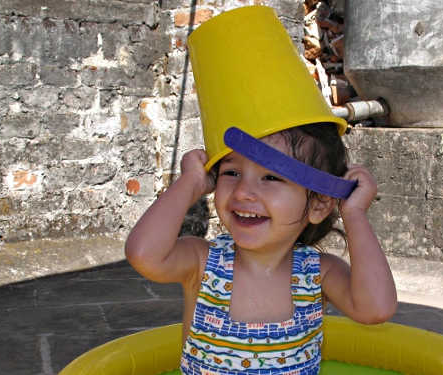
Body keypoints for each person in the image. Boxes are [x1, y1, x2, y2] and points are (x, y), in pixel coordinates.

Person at [125, 122, 397, 375]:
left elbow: (375, 309)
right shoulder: (204, 263)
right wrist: (191, 181)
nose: (243, 191)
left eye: (270, 177)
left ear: (319, 204)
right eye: (232, 172)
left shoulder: (318, 274)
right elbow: (144, 255)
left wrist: (355, 213)